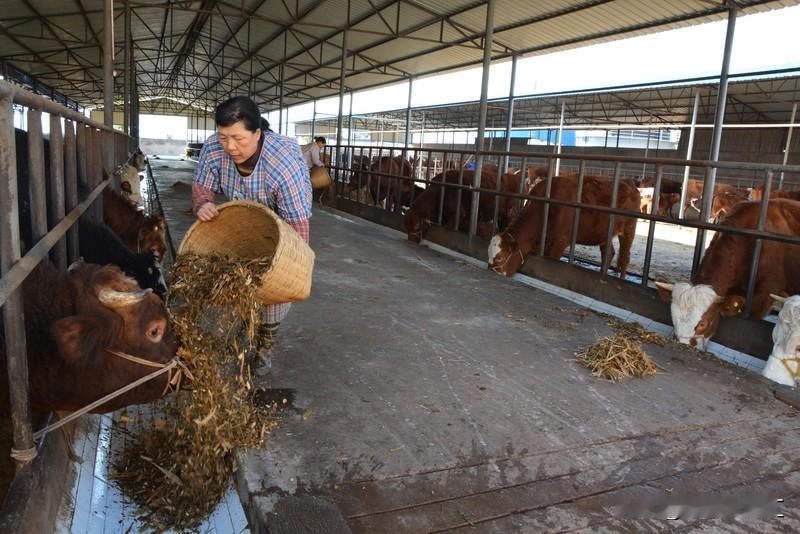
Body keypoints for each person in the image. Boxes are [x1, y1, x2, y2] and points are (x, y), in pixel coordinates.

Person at [192, 96, 312, 376]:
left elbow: (298, 227)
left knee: (273, 294)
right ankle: (242, 328)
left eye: (238, 138)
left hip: (283, 223)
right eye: (224, 137)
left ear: (258, 133)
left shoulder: (284, 163)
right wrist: (203, 204)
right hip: (242, 214)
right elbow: (201, 186)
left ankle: (265, 346)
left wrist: (291, 267)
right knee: (234, 278)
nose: (230, 146)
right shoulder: (213, 147)